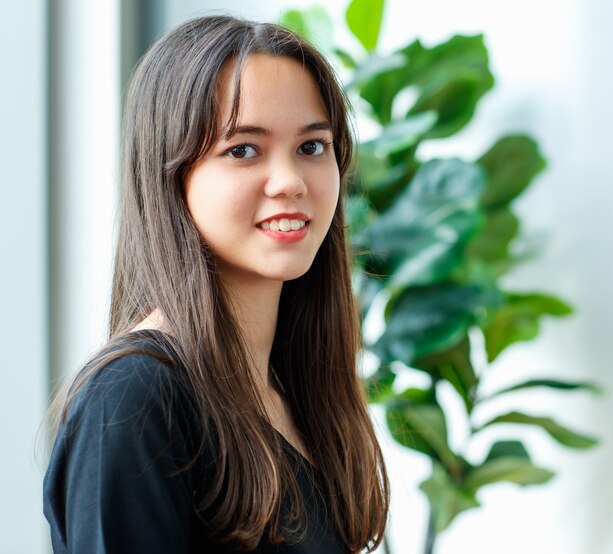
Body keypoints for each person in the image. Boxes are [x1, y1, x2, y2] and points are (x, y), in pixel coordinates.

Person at [43, 14, 390, 554]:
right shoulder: (135, 397)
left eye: (312, 146)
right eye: (243, 150)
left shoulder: (293, 392)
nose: (291, 181)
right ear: (171, 177)